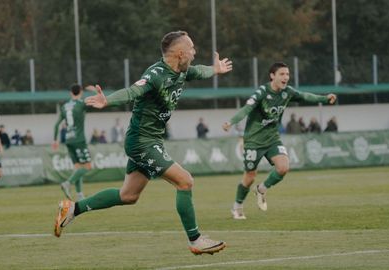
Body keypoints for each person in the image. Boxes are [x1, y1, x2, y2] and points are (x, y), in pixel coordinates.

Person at [54, 31, 232, 255]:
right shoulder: (156, 74)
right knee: (185, 181)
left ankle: (72, 208)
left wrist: (215, 69)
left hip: (151, 140)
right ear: (180, 53)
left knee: (128, 196)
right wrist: (107, 100)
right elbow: (133, 91)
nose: (195, 53)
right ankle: (195, 240)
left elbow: (200, 71)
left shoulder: (181, 72)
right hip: (141, 142)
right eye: (192, 49)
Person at [222, 62, 336, 220]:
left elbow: (304, 96)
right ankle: (237, 206)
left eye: (287, 74)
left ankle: (261, 189)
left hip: (272, 138)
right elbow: (246, 108)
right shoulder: (262, 92)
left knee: (283, 167)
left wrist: (324, 99)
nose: (286, 77)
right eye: (282, 74)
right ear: (272, 76)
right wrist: (232, 121)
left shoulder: (287, 92)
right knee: (249, 177)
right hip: (254, 141)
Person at [53, 84, 96, 201]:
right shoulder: (81, 104)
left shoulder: (64, 106)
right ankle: (68, 183)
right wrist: (95, 91)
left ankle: (80, 195)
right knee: (87, 167)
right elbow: (98, 101)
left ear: (70, 93)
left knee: (78, 168)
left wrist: (55, 140)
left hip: (68, 140)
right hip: (79, 139)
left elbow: (57, 125)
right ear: (81, 92)